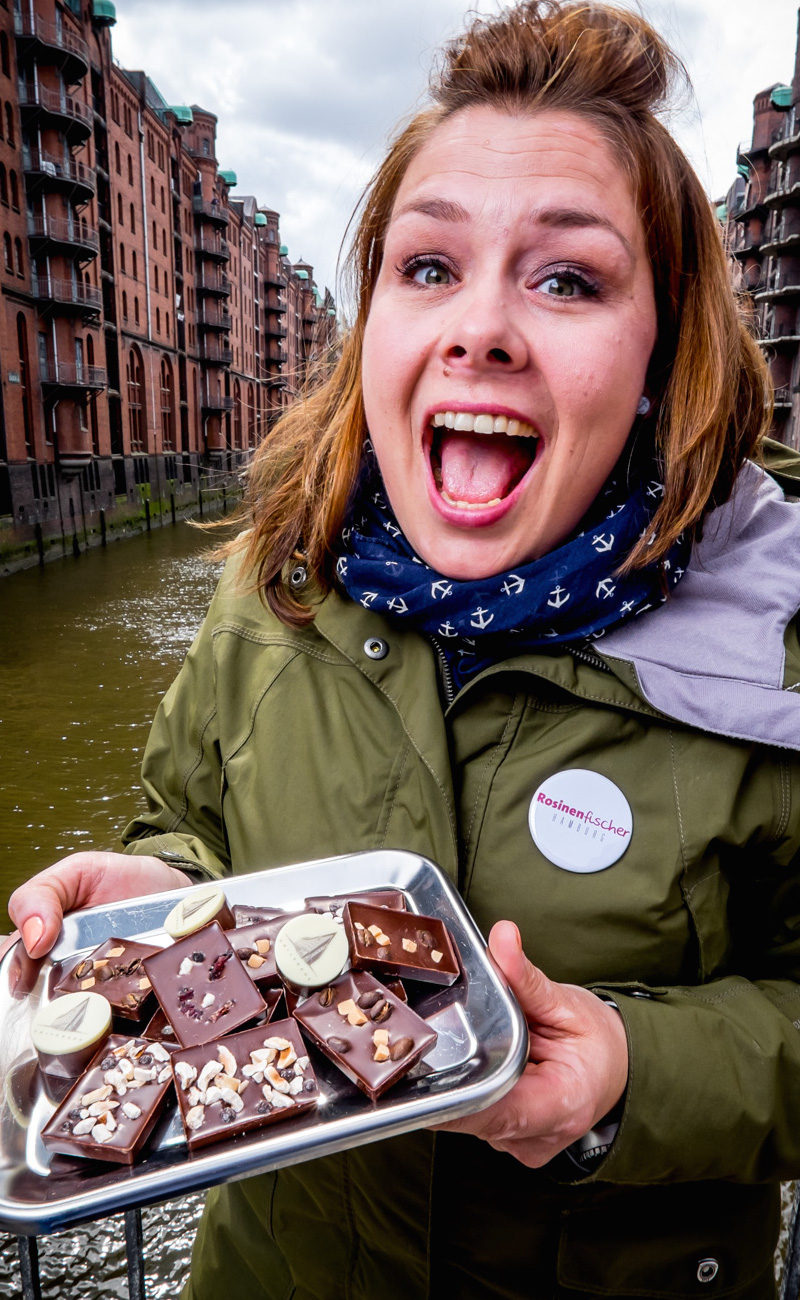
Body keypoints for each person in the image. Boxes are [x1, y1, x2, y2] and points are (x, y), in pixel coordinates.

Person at [8, 3, 800, 1296]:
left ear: (664, 349)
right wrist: (149, 911)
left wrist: (627, 1077)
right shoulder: (280, 587)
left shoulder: (780, 638)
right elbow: (188, 827)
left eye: (566, 278)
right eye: (429, 268)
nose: (479, 327)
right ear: (372, 321)